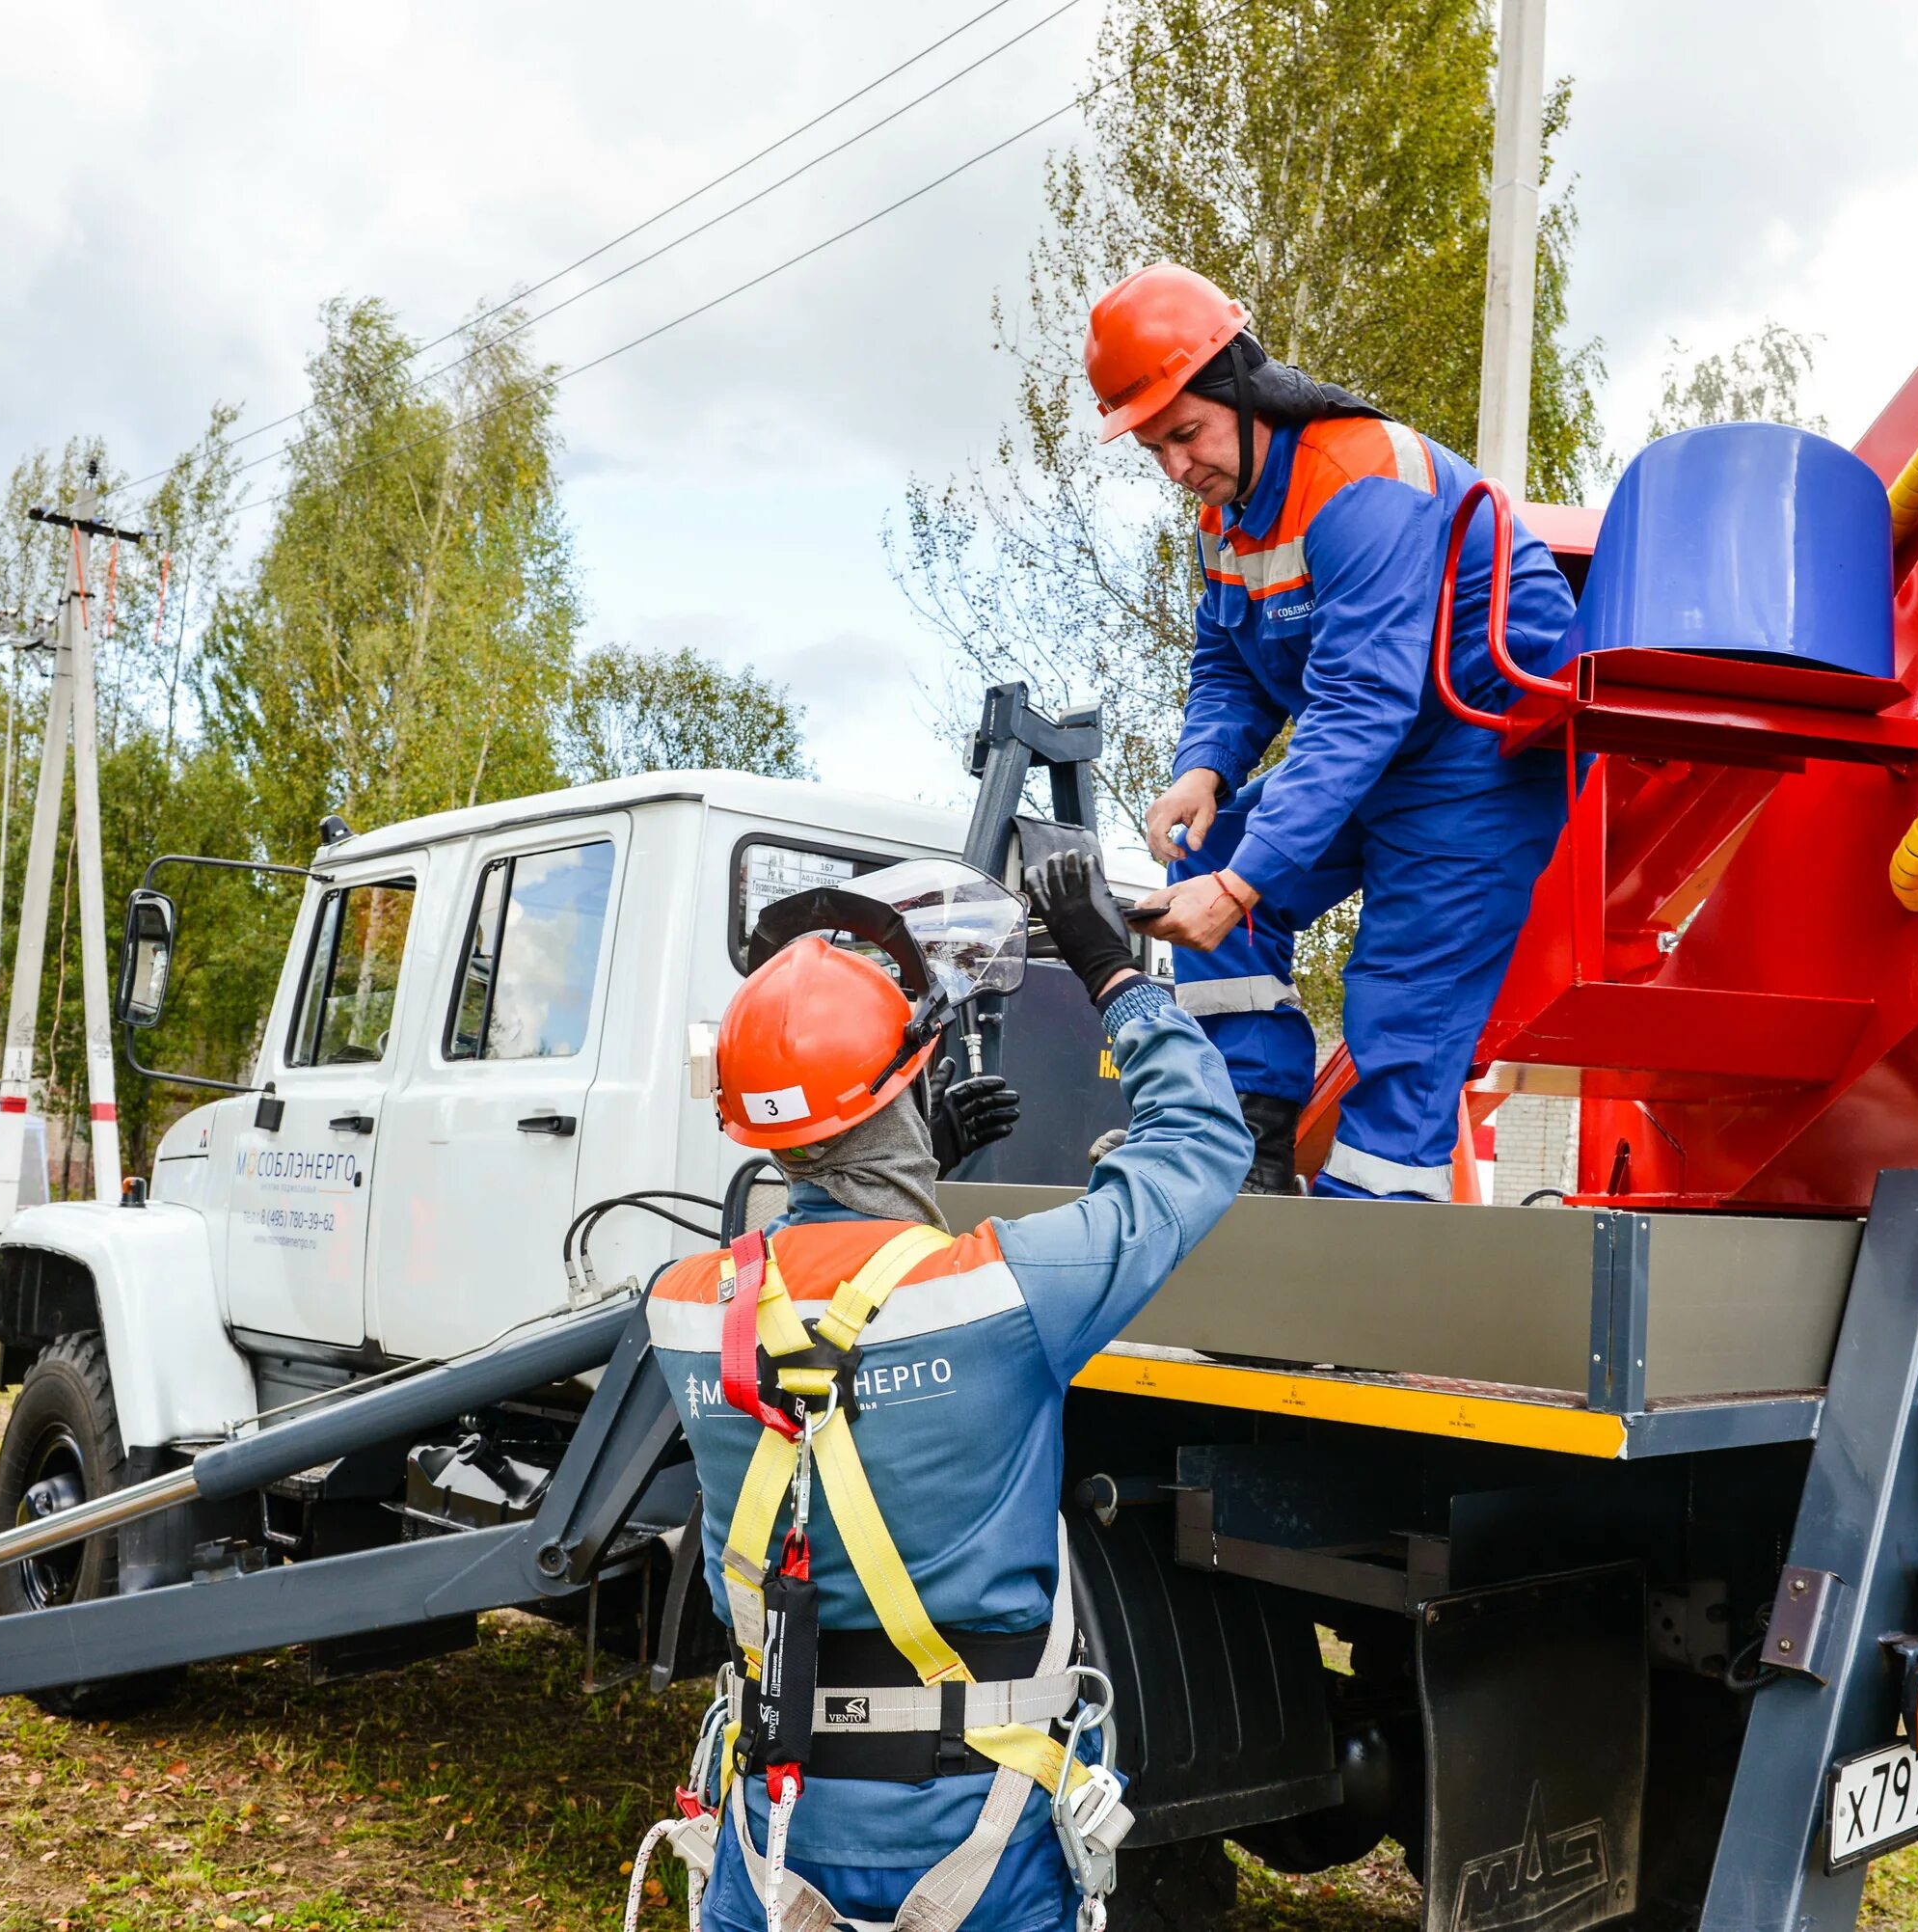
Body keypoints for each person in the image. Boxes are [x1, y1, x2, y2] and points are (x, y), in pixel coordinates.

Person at [646, 849, 1249, 1932]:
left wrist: (912, 1172)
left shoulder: (684, 1306)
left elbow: (836, 1293)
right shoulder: (1010, 1292)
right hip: (983, 1824)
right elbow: (1197, 1146)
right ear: (913, 1077)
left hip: (775, 1825)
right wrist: (1115, 970)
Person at [1091, 263, 1583, 1201]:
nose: (1177, 466)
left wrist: (1243, 887)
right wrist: (1203, 769)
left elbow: (1363, 701)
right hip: (1386, 745)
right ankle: (1243, 1142)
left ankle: (1369, 1245)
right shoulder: (1223, 519)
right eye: (1154, 448)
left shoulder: (1364, 480)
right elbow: (1232, 660)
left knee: (1403, 1008)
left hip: (1483, 750)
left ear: (1241, 386)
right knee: (1205, 849)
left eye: (1185, 433)